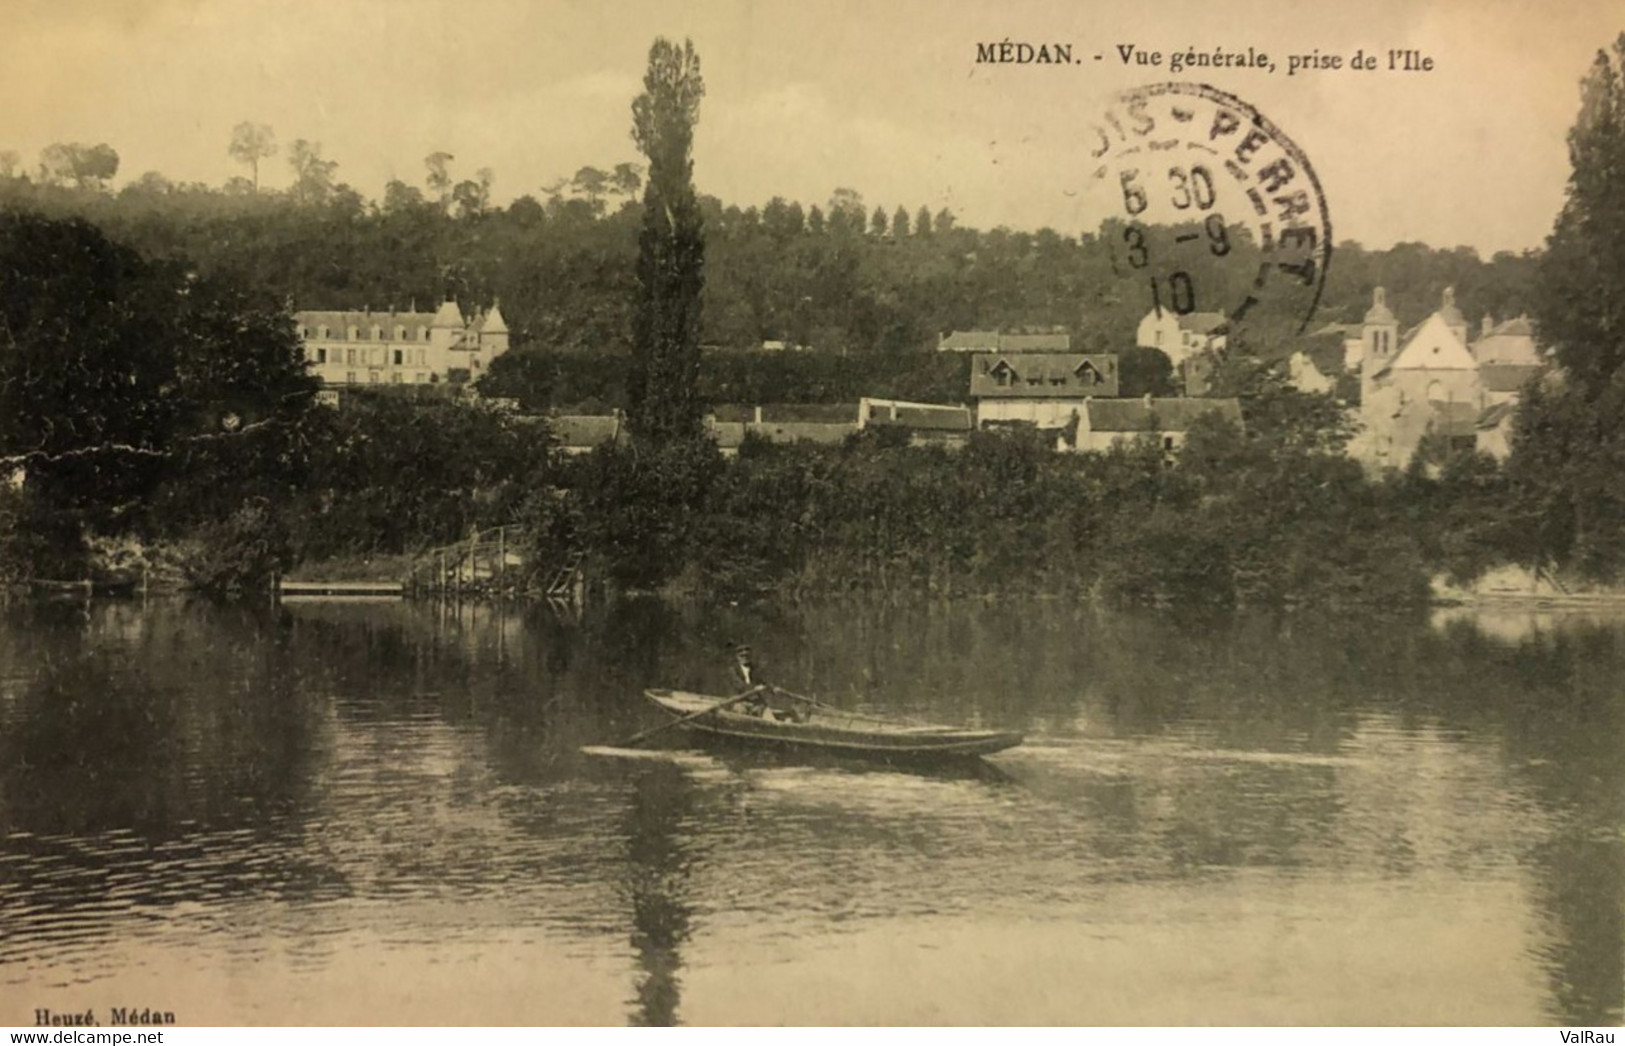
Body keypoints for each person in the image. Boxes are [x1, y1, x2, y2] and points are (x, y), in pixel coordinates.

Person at [725, 642, 809, 723]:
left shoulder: (755, 669)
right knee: (741, 715)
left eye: (747, 656)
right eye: (742, 656)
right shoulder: (732, 670)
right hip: (739, 702)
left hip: (756, 703)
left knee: (769, 717)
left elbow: (764, 681)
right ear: (737, 657)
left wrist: (773, 688)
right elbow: (740, 685)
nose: (745, 658)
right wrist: (754, 688)